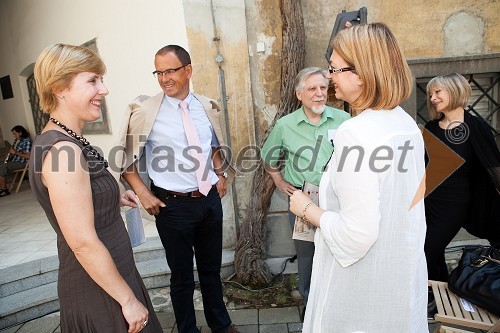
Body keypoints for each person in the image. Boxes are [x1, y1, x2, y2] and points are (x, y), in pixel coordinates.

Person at [290, 23, 428, 332]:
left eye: (335, 69)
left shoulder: (357, 132)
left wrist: (306, 209)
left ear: (363, 74)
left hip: (360, 293)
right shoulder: (405, 124)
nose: (328, 77)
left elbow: (357, 235)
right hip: (397, 284)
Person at [30, 44, 162, 333]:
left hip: (111, 277)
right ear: (59, 88)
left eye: (101, 79)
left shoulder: (69, 139)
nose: (104, 89)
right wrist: (128, 300)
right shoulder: (62, 150)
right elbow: (81, 242)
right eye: (92, 80)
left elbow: (78, 194)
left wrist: (111, 197)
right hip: (100, 292)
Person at [116, 45, 239, 333]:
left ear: (188, 70)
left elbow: (212, 144)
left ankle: (221, 325)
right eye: (158, 72)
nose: (163, 78)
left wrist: (219, 174)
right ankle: (187, 329)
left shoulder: (206, 106)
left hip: (209, 202)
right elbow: (125, 160)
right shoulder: (146, 111)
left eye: (170, 71)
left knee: (211, 271)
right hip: (172, 207)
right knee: (181, 276)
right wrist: (144, 194)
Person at [260, 67, 350, 313]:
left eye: (323, 87)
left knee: (340, 248)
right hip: (303, 200)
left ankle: (339, 304)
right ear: (299, 94)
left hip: (339, 199)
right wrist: (278, 181)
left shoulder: (343, 120)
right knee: (307, 254)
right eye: (312, 89)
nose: (320, 93)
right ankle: (310, 305)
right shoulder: (285, 125)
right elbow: (268, 157)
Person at [424, 73, 500, 314]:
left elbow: (493, 167)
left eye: (438, 92)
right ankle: (441, 295)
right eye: (431, 93)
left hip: (454, 205)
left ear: (455, 91)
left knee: (428, 248)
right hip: (426, 201)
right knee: (430, 251)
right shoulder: (431, 128)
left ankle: (440, 294)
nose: (433, 98)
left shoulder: (476, 128)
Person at [0, 125, 32, 197]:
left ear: (20, 133)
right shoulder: (20, 142)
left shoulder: (27, 141)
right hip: (16, 161)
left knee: (2, 168)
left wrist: (15, 152)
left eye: (15, 134)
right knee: (2, 165)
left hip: (22, 163)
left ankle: (4, 190)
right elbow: (17, 155)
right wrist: (10, 155)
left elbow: (28, 156)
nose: (14, 136)